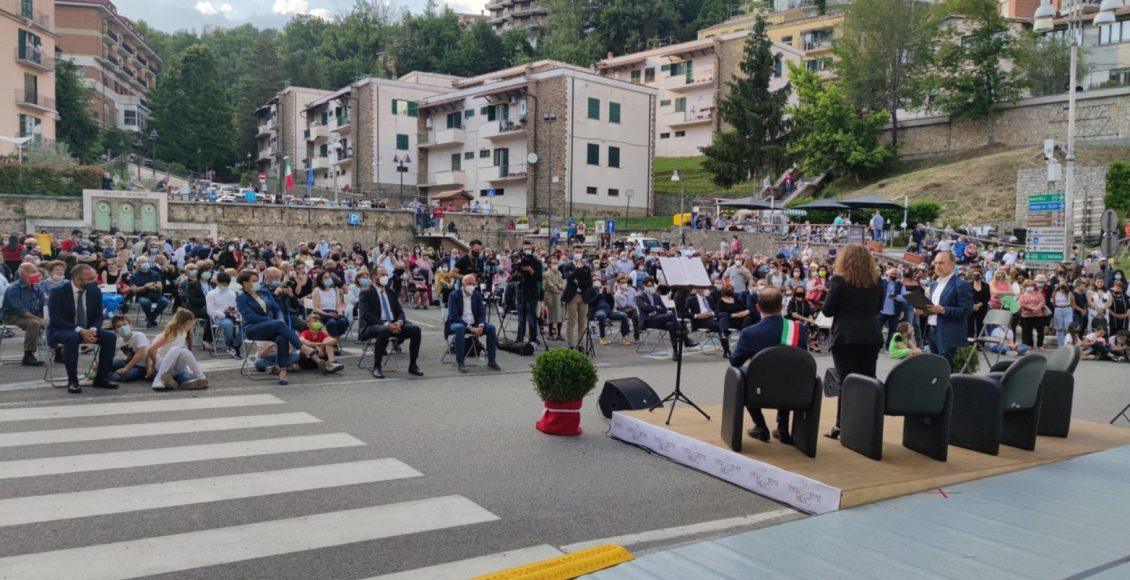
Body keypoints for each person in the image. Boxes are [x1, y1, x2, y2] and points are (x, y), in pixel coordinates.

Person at [820, 244, 884, 439]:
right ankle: (866, 425)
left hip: (846, 336)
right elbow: (878, 307)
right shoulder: (877, 281)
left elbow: (827, 310)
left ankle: (842, 425)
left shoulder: (839, 281)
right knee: (867, 380)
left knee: (847, 382)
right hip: (870, 335)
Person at [730, 288, 807, 444]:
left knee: (741, 374)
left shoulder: (749, 333)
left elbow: (735, 362)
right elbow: (802, 359)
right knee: (787, 371)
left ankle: (760, 425)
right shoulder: (798, 329)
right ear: (781, 307)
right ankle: (783, 428)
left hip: (758, 391)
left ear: (758, 307)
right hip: (793, 390)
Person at [48, 264, 118, 394]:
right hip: (62, 329)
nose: (94, 281)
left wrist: (93, 329)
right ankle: (73, 380)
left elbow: (98, 316)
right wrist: (80, 330)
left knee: (110, 337)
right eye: (90, 279)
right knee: (72, 338)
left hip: (88, 328)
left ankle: (102, 377)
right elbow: (56, 319)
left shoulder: (95, 290)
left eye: (94, 278)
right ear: (77, 279)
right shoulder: (58, 291)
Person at [236, 270, 303, 386]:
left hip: (272, 326)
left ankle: (283, 371)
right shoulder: (241, 298)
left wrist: (278, 321)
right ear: (245, 283)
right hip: (253, 328)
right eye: (254, 281)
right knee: (278, 324)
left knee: (282, 337)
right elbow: (251, 317)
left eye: (258, 280)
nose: (258, 283)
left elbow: (277, 309)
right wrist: (273, 322)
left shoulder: (265, 292)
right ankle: (303, 347)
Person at [358, 268, 423, 379]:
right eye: (382, 274)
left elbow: (400, 311)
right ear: (374, 277)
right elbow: (366, 315)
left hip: (393, 324)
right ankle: (377, 366)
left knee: (416, 330)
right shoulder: (366, 292)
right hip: (373, 325)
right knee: (384, 330)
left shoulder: (391, 292)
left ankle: (413, 365)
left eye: (387, 274)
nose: (385, 277)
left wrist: (399, 322)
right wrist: (386, 324)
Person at [924, 251, 973, 367]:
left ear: (952, 264)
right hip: (932, 330)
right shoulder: (934, 285)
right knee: (935, 368)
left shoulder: (960, 285)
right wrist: (923, 310)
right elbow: (932, 308)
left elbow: (966, 310)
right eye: (935, 263)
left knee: (944, 369)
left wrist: (943, 310)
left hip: (948, 332)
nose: (937, 266)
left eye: (941, 263)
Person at [445, 274, 501, 372]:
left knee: (491, 328)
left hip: (474, 324)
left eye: (473, 284)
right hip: (458, 323)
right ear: (463, 284)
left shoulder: (476, 295)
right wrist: (469, 327)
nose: (471, 286)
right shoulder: (454, 295)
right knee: (459, 328)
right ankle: (460, 362)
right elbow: (454, 316)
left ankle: (492, 361)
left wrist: (480, 325)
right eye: (469, 283)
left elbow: (481, 313)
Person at [145, 308, 208, 391]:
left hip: (175, 368)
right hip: (163, 365)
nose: (191, 326)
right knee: (175, 349)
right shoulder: (170, 334)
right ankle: (158, 379)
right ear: (182, 324)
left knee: (184, 352)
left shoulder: (184, 333)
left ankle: (201, 377)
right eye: (189, 323)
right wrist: (154, 364)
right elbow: (150, 349)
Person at [1, 262, 46, 366]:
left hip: (31, 315)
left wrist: (45, 317)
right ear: (24, 274)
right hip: (12, 316)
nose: (37, 274)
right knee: (34, 323)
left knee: (53, 319)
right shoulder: (14, 289)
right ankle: (28, 355)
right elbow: (20, 310)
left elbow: (42, 303)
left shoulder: (36, 287)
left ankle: (57, 351)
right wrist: (40, 320)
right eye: (33, 272)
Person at [636, 277, 685, 361]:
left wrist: (653, 308)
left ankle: (675, 352)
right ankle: (681, 334)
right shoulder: (640, 297)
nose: (650, 287)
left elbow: (664, 309)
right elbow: (644, 307)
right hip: (648, 320)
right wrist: (655, 307)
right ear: (644, 286)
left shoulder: (656, 296)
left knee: (671, 325)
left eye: (651, 286)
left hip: (658, 319)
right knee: (671, 315)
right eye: (648, 286)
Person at [561, 246, 594, 350]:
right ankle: (570, 343)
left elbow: (589, 282)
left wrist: (579, 282)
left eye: (580, 252)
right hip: (573, 296)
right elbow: (569, 278)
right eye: (576, 252)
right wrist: (577, 270)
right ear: (572, 253)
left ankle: (581, 343)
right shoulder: (568, 266)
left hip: (583, 296)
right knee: (571, 320)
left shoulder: (586, 267)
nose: (578, 253)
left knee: (582, 322)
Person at [205, 272, 243, 358]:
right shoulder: (211, 294)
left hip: (232, 316)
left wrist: (234, 311)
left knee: (246, 325)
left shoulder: (232, 293)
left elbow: (236, 307)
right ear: (217, 282)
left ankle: (235, 345)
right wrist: (223, 313)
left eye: (226, 284)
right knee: (227, 324)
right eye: (223, 284)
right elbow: (210, 311)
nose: (224, 286)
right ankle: (229, 344)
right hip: (219, 317)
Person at [685, 287, 731, 357]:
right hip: (700, 321)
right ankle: (726, 350)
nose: (705, 290)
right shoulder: (691, 299)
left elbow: (717, 310)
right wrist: (697, 315)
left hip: (711, 317)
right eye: (703, 288)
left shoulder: (709, 298)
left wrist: (711, 313)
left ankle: (723, 332)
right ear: (698, 289)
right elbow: (684, 312)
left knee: (724, 314)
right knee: (720, 326)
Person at [513, 241, 543, 345]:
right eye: (525, 249)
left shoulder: (536, 262)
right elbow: (514, 273)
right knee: (521, 318)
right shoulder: (519, 261)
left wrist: (530, 270)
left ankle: (533, 339)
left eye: (529, 248)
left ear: (532, 249)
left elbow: (539, 278)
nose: (527, 250)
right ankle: (520, 338)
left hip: (532, 292)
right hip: (520, 291)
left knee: (531, 317)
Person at [130, 256, 169, 327]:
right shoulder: (134, 276)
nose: (145, 263)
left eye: (146, 262)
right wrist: (145, 287)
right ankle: (151, 319)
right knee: (145, 302)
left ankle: (150, 318)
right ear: (138, 264)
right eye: (143, 262)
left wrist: (154, 285)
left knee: (165, 301)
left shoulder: (155, 274)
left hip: (155, 295)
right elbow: (134, 290)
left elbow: (160, 286)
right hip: (142, 295)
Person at [108, 315, 149, 382]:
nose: (122, 327)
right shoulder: (119, 340)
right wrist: (100, 363)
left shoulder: (139, 335)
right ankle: (107, 374)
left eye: (124, 324)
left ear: (130, 325)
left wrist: (126, 368)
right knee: (109, 364)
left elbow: (140, 354)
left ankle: (107, 375)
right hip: (128, 362)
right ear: (115, 330)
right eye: (118, 326)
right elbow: (112, 354)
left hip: (141, 366)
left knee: (126, 376)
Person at [592, 278, 632, 346]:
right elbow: (591, 302)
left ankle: (624, 336)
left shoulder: (604, 290)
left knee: (624, 315)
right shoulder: (591, 290)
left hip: (608, 311)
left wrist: (609, 295)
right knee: (602, 315)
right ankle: (602, 337)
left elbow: (611, 302)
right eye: (595, 280)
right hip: (597, 310)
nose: (597, 281)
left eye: (598, 280)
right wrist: (599, 294)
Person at [312, 270, 349, 339]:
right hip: (322, 313)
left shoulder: (335, 289)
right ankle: (333, 343)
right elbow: (316, 308)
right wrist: (327, 314)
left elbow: (338, 305)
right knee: (331, 323)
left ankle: (334, 341)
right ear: (320, 280)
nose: (328, 279)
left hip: (334, 312)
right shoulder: (317, 290)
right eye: (325, 278)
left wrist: (339, 312)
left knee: (342, 321)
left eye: (329, 277)